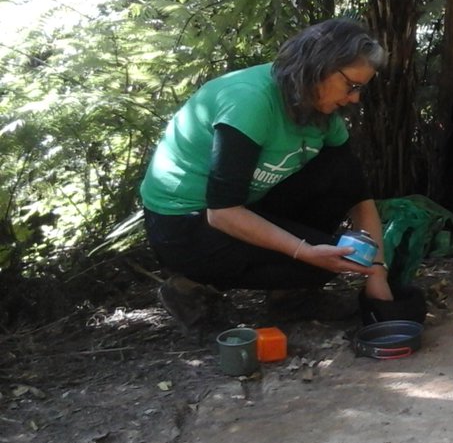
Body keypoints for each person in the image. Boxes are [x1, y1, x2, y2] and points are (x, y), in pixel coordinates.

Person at [140, 18, 425, 336]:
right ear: (319, 67)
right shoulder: (250, 102)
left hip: (246, 206)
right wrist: (305, 251)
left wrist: (376, 274)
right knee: (320, 263)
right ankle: (190, 286)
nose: (355, 98)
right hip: (184, 225)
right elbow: (222, 212)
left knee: (338, 184)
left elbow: (358, 196)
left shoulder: (322, 112)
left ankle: (289, 296)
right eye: (352, 86)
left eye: (361, 89)